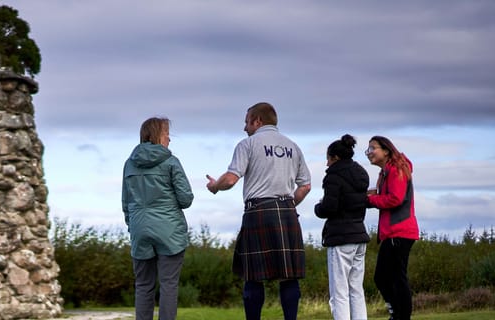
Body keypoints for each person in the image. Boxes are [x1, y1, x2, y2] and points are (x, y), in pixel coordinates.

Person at [206, 102, 311, 320]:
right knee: (289, 276)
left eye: (247, 122)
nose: (244, 127)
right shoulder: (293, 146)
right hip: (287, 212)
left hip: (259, 212)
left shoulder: (248, 144)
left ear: (258, 121)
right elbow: (305, 186)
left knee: (253, 276)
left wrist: (215, 186)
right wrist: (288, 205)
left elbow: (231, 179)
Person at [122, 117, 194, 320]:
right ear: (157, 136)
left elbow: (126, 202)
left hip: (139, 229)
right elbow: (186, 199)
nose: (169, 139)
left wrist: (133, 225)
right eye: (166, 134)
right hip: (169, 231)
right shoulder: (171, 162)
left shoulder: (129, 164)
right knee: (169, 284)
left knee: (143, 285)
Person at [314, 134, 370, 320]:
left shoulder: (333, 177)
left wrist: (318, 207)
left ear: (335, 157)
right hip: (359, 235)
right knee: (356, 289)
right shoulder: (361, 173)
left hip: (340, 238)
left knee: (339, 292)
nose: (327, 163)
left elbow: (329, 207)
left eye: (328, 159)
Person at [365, 136, 419, 320]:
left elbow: (396, 198)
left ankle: (400, 315)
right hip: (392, 233)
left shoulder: (396, 169)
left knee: (392, 277)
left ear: (386, 150)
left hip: (400, 231)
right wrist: (373, 195)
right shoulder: (386, 172)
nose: (369, 153)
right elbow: (388, 195)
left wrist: (371, 200)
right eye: (368, 150)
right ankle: (397, 314)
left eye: (373, 148)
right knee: (385, 277)